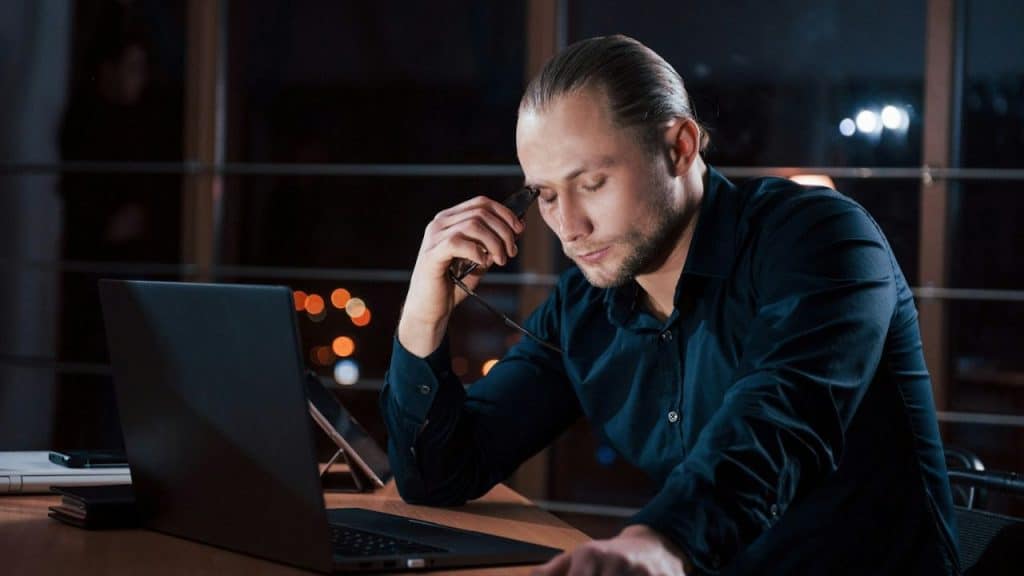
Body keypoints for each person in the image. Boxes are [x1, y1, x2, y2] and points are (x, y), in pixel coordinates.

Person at [380, 35, 960, 575]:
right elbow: (437, 475)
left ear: (679, 147)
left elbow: (778, 419)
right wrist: (424, 313)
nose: (570, 228)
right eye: (547, 195)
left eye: (592, 183)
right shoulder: (584, 305)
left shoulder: (822, 239)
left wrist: (661, 540)